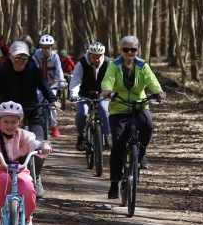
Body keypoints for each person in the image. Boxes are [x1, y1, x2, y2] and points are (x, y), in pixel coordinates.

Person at [0, 40, 58, 198]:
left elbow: (44, 86)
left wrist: (52, 100)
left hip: (33, 111)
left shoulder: (33, 69)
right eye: (17, 57)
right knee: (7, 146)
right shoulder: (3, 71)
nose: (21, 61)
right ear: (11, 56)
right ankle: (8, 176)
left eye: (24, 57)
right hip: (10, 114)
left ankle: (37, 177)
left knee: (40, 144)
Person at [101, 35, 165, 200]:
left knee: (148, 125)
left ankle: (141, 153)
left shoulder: (143, 65)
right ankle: (115, 183)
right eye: (126, 49)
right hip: (119, 107)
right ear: (120, 50)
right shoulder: (114, 66)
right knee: (119, 144)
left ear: (138, 50)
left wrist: (158, 91)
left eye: (133, 49)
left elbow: (152, 80)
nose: (130, 52)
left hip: (139, 105)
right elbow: (108, 80)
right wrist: (107, 91)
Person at [69, 42, 110, 151]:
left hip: (102, 92)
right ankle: (81, 136)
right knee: (82, 112)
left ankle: (105, 138)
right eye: (93, 57)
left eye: (99, 57)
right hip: (83, 93)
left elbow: (112, 81)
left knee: (104, 112)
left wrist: (112, 93)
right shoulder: (81, 63)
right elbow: (76, 80)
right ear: (89, 54)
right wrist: (74, 94)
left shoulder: (108, 63)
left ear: (103, 55)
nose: (96, 59)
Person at [31, 34, 66, 137]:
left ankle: (54, 127)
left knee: (53, 105)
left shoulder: (55, 57)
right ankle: (35, 122)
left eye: (48, 47)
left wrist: (61, 81)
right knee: (36, 102)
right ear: (41, 47)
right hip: (39, 85)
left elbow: (59, 70)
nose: (46, 50)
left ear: (52, 47)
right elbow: (32, 69)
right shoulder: (36, 56)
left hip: (51, 84)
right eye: (44, 47)